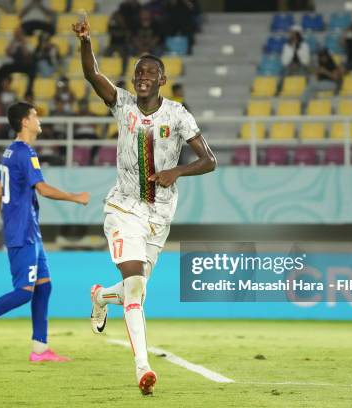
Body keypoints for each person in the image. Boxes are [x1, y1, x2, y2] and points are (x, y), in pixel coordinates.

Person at [73, 17, 216, 395]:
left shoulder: (178, 115)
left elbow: (209, 160)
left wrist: (177, 172)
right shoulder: (121, 104)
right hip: (123, 209)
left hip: (160, 215)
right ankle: (143, 368)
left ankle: (102, 296)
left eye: (150, 72)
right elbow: (92, 74)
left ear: (162, 80)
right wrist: (86, 41)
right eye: (138, 72)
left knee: (135, 290)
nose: (142, 77)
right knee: (135, 287)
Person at [0, 101, 90, 362]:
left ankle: (40, 349)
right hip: (21, 230)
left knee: (44, 287)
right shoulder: (25, 153)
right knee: (23, 292)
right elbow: (43, 189)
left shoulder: (10, 152)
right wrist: (75, 197)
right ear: (25, 122)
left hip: (29, 230)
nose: (39, 120)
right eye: (35, 116)